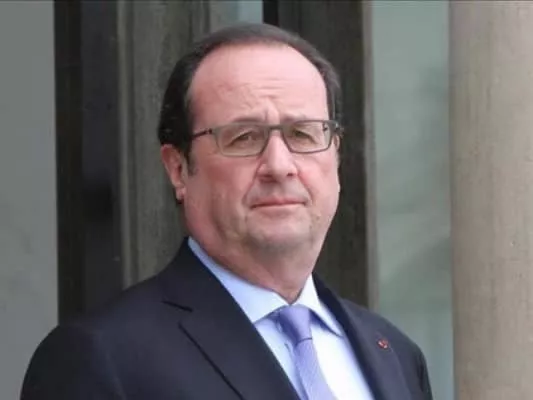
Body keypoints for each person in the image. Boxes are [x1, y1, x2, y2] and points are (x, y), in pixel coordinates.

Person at [21, 23, 432, 400]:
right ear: (178, 168)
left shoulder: (395, 355)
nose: (279, 165)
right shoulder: (101, 359)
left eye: (303, 134)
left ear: (336, 156)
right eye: (244, 137)